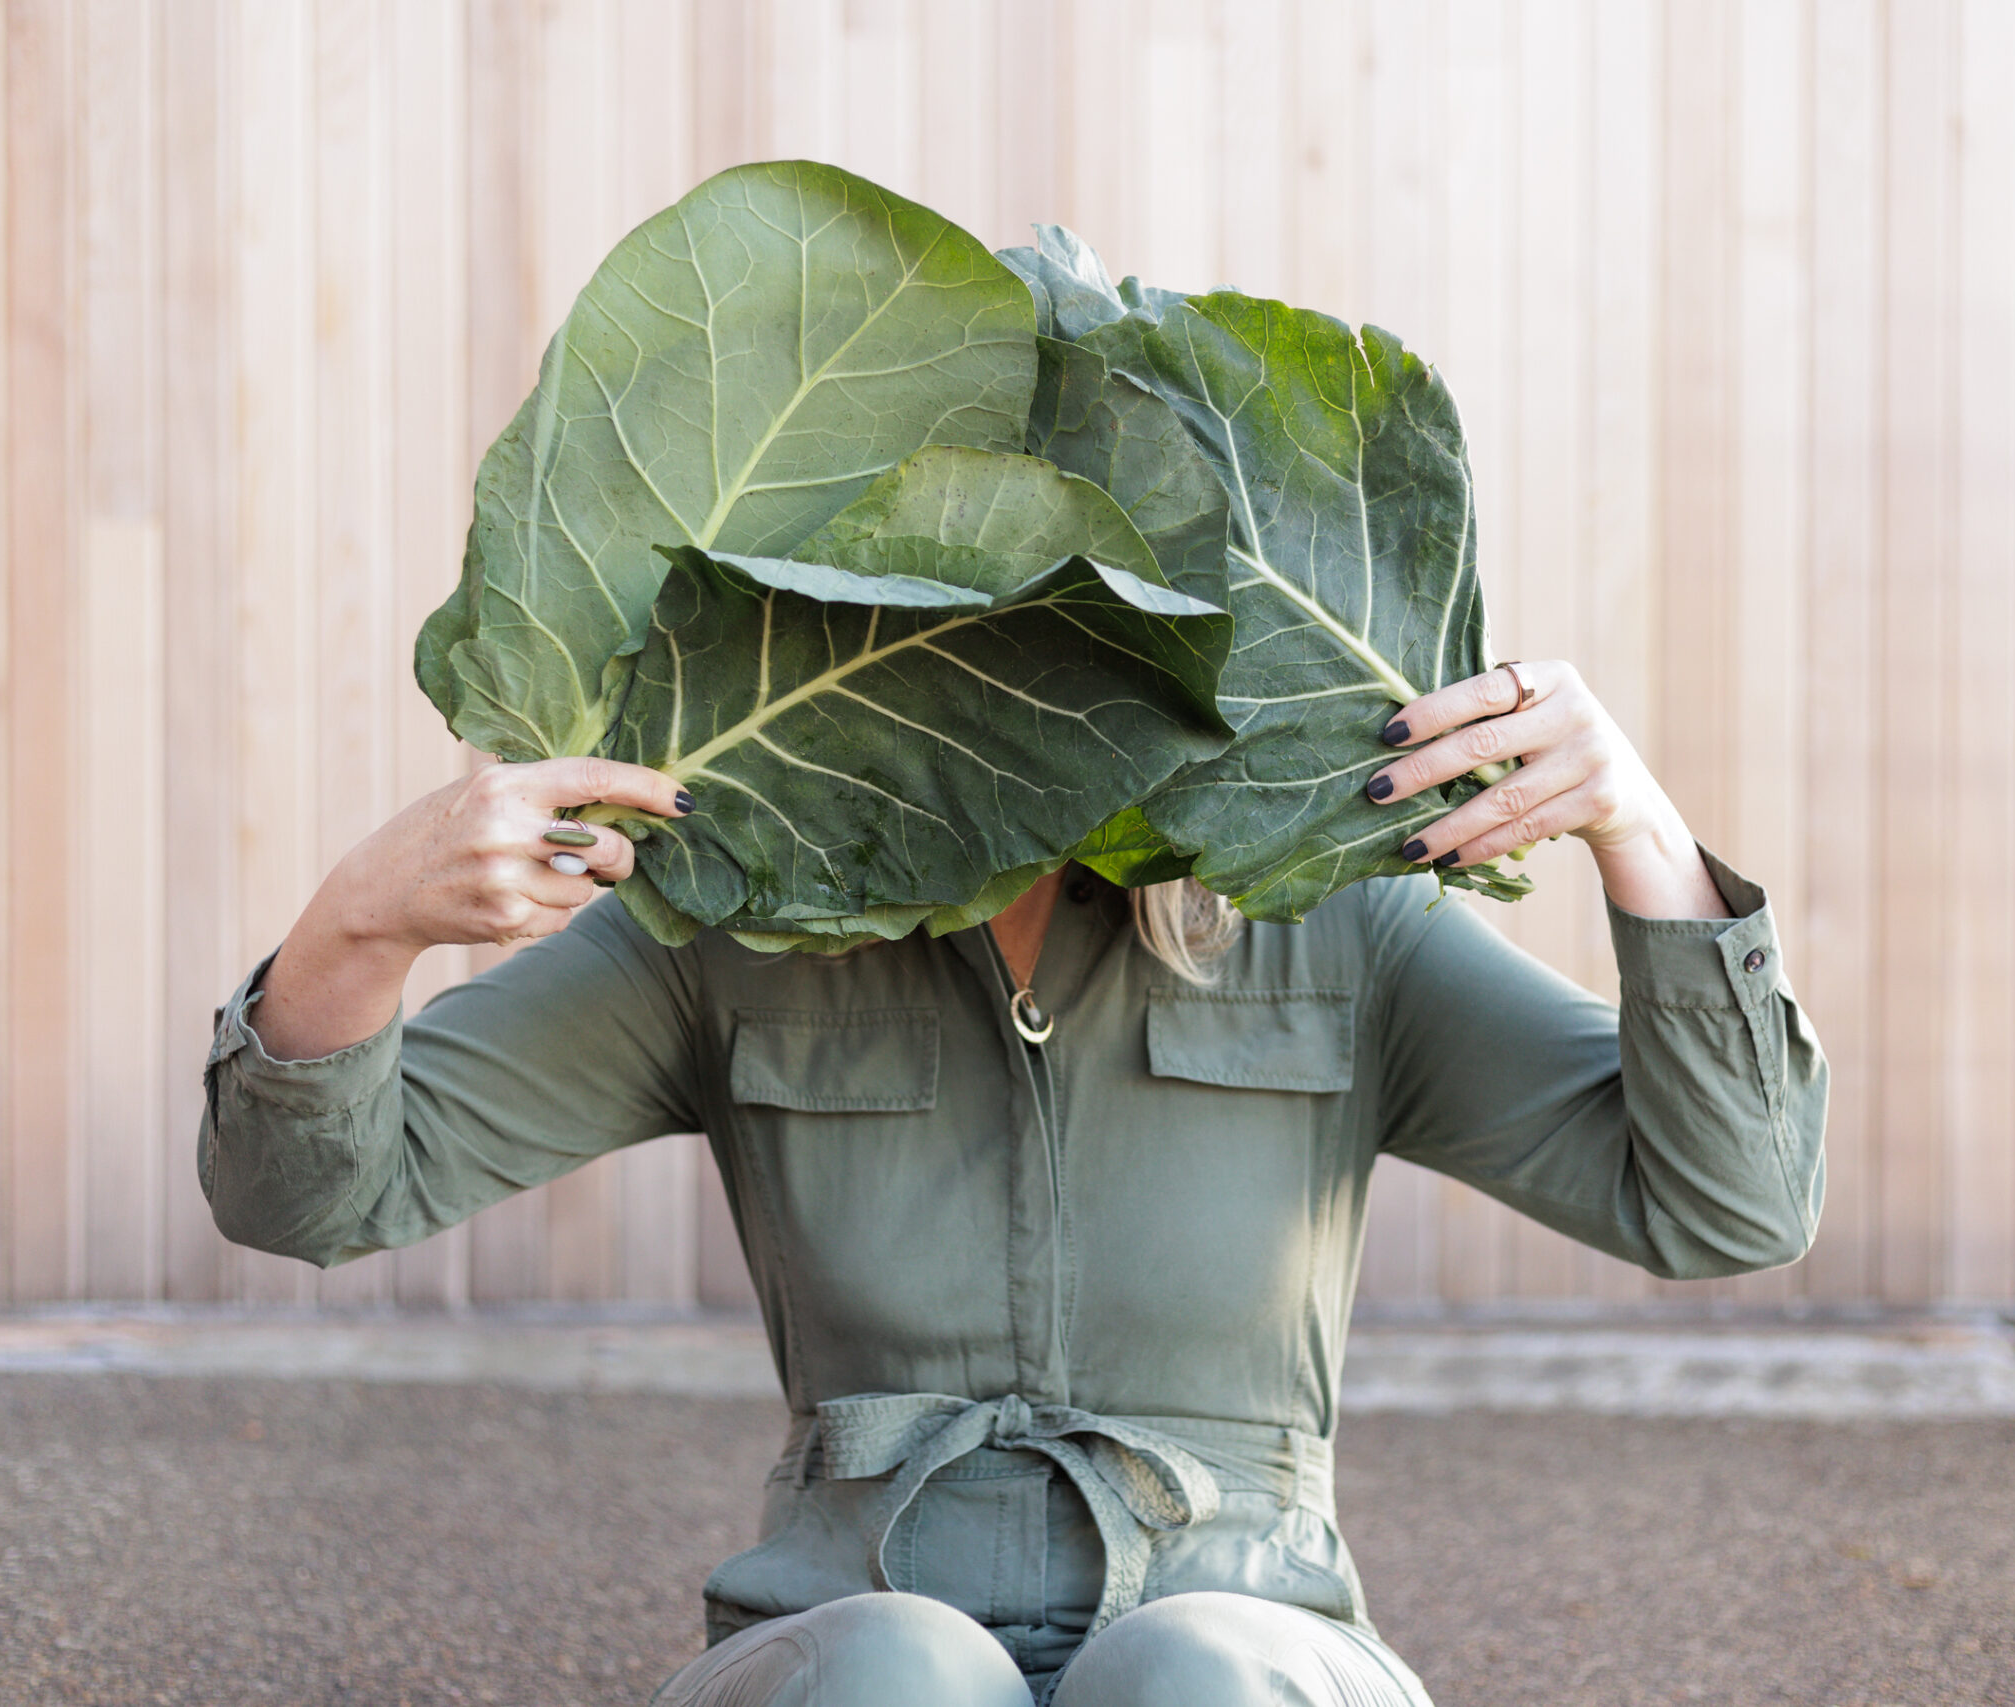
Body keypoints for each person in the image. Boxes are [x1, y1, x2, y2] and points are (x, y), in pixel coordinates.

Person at [202, 657, 1828, 1706]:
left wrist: (1638, 829)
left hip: (1255, 1638)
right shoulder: (725, 928)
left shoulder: (1340, 923)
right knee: (903, 1680)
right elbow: (316, 1193)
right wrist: (364, 922)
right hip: (846, 1640)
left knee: (1197, 1678)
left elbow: (1725, 1199)